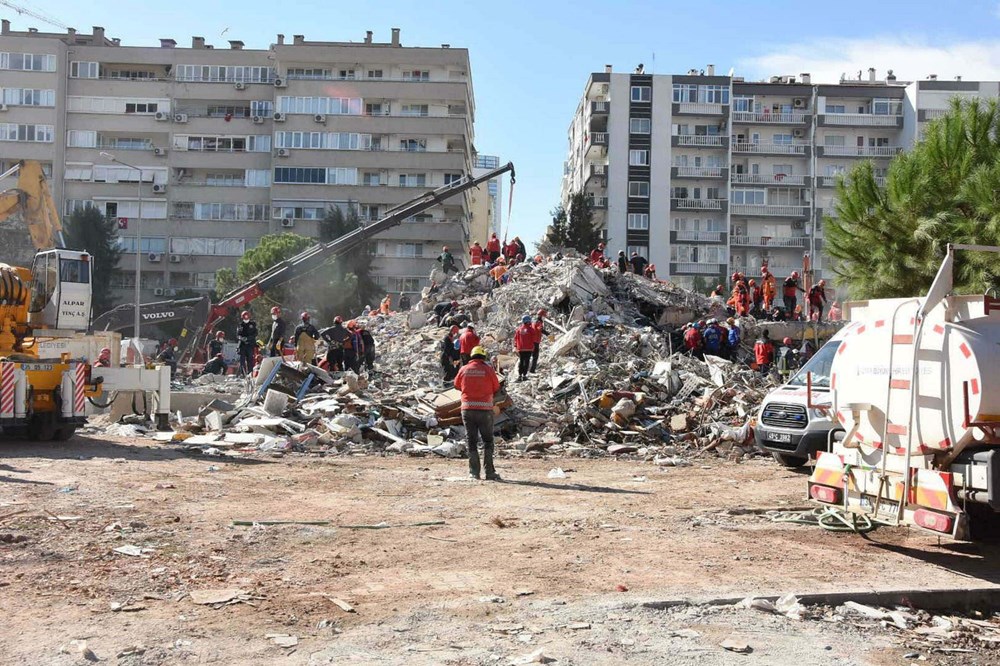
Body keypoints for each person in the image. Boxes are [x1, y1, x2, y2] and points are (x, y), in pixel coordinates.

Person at [454, 345, 501, 481]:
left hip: (467, 409)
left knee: (471, 441)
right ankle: (490, 472)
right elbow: (496, 387)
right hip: (485, 410)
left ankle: (474, 472)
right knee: (487, 441)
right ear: (483, 357)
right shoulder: (488, 369)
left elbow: (456, 385)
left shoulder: (464, 369)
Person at [514, 315, 536, 381]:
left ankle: (519, 375)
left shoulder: (519, 329)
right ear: (528, 321)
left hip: (521, 349)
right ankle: (524, 375)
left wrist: (515, 346)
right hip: (529, 348)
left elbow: (515, 338)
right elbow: (534, 337)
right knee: (526, 362)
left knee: (521, 361)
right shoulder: (531, 329)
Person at [236, 310, 258, 376]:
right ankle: (243, 373)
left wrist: (248, 338)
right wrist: (241, 338)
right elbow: (238, 334)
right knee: (242, 360)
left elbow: (255, 333)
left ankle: (250, 373)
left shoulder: (253, 324)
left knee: (250, 360)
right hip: (242, 345)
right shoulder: (240, 325)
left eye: (247, 317)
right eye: (244, 317)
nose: (246, 319)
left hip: (250, 345)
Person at [530, 309, 547, 373]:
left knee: (531, 355)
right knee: (535, 356)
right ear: (541, 316)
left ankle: (528, 369)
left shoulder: (534, 321)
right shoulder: (539, 322)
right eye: (544, 316)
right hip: (535, 342)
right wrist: (548, 334)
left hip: (532, 341)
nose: (544, 318)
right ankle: (532, 370)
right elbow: (541, 329)